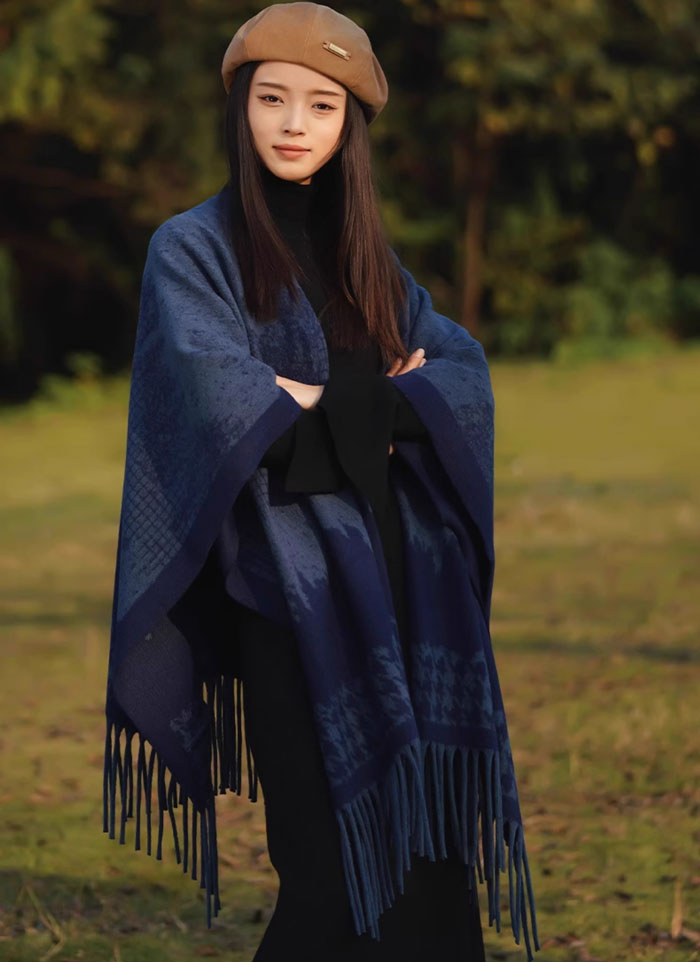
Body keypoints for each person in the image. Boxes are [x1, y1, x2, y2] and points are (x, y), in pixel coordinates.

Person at [101, 5, 540, 962]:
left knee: (429, 853)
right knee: (329, 869)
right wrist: (379, 404)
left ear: (351, 125)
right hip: (285, 588)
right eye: (272, 99)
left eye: (321, 105)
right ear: (240, 108)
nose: (294, 124)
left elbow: (461, 377)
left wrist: (316, 399)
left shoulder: (367, 255)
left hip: (407, 578)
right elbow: (223, 408)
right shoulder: (192, 248)